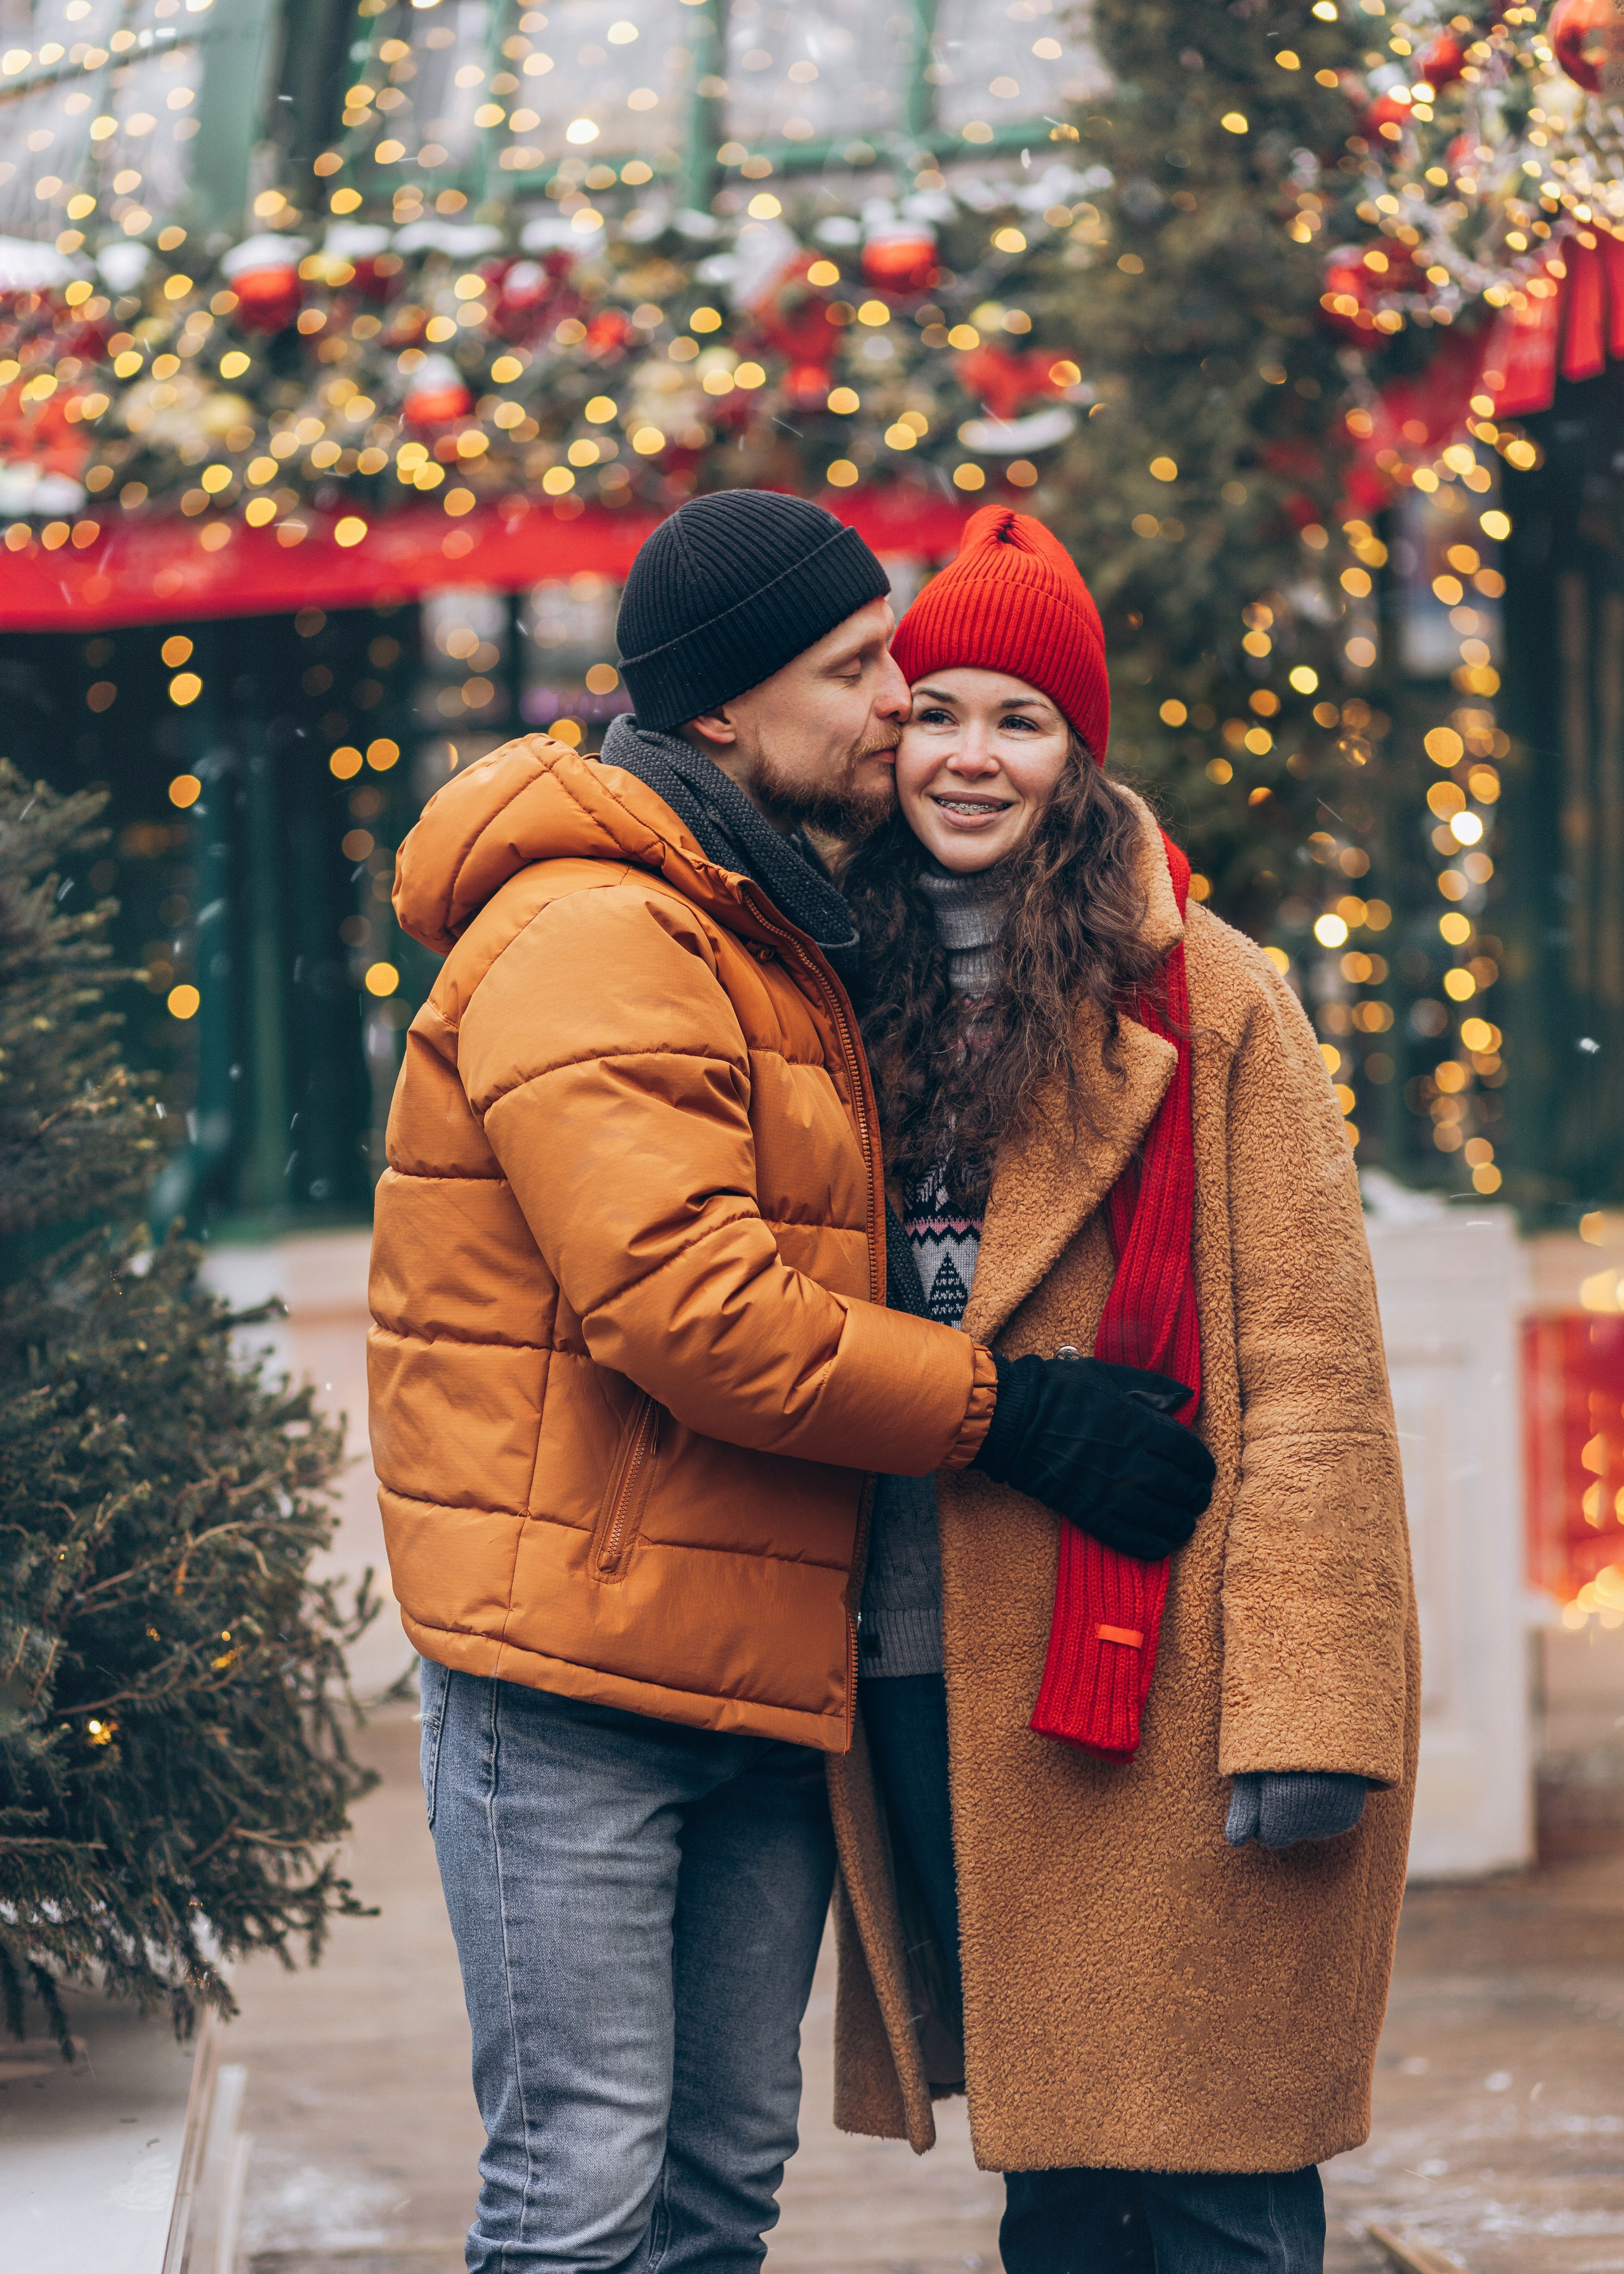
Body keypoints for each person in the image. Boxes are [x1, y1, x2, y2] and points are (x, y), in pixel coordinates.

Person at [367, 490, 1214, 2273]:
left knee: (711, 2193)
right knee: (584, 2189)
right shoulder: (600, 928)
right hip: (572, 1674)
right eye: (858, 669)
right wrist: (1013, 1413)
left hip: (749, 1669)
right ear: (731, 710)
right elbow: (693, 1309)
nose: (902, 703)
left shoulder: (763, 920)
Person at [834, 506, 1420, 2274]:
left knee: (1220, 2163)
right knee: (1062, 2175)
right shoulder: (827, 981)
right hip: (925, 1654)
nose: (970, 756)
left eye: (1019, 719)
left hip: (1161, 1660)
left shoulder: (1209, 994)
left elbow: (1316, 1365)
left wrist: (1317, 1705)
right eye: (938, 709)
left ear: (1076, 752)